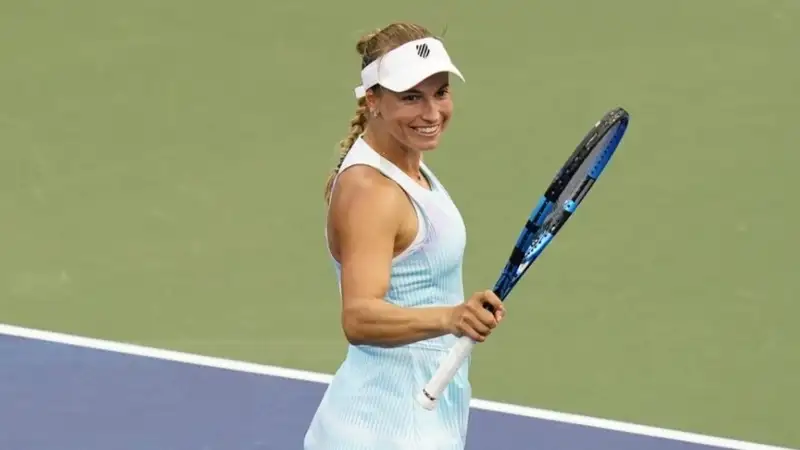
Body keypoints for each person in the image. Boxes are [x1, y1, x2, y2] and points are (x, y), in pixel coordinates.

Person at [303, 22, 506, 450]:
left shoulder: (407, 166)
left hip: (412, 415)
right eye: (411, 97)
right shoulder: (372, 191)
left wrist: (459, 314)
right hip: (384, 430)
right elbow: (359, 316)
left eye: (440, 92)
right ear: (373, 100)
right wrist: (451, 318)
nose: (431, 113)